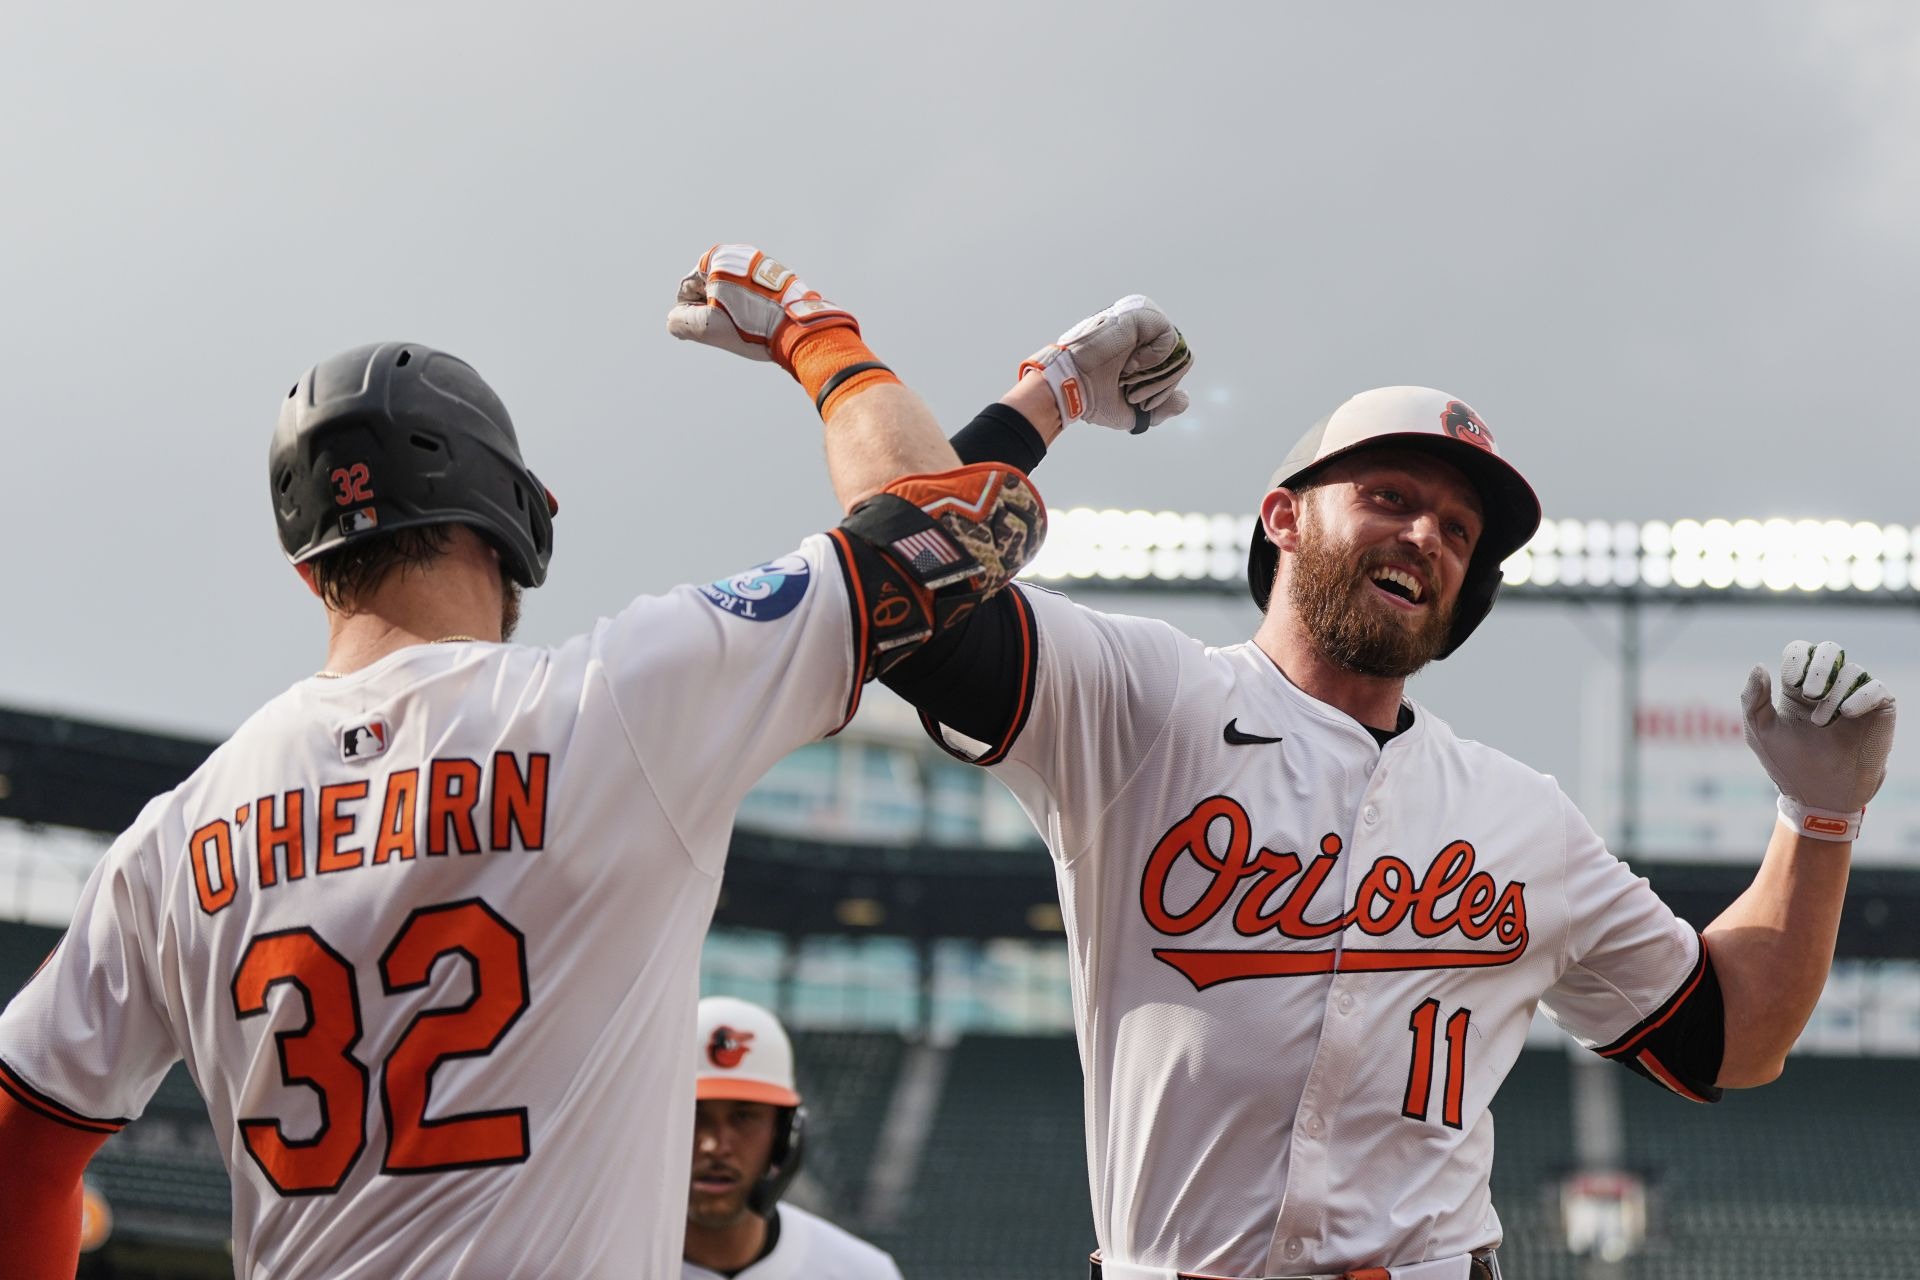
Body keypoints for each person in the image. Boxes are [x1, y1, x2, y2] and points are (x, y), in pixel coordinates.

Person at [0, 244, 1119, 1278]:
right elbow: (964, 528)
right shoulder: (614, 703)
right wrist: (817, 332)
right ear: (512, 513)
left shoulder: (174, 835)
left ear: (310, 567)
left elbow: (21, 1148)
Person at [700, 328, 1896, 1278]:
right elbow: (916, 570)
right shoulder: (1143, 699)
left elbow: (1735, 1033)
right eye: (1388, 495)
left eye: (1459, 528)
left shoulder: (1524, 817)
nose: (1427, 534)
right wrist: (1037, 395)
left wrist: (1818, 820)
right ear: (1284, 514)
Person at [683, 996, 902, 1280]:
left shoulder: (862, 1273)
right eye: (694, 1117)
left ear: (786, 1134)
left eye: (744, 1118)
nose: (715, 1146)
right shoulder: (609, 1262)